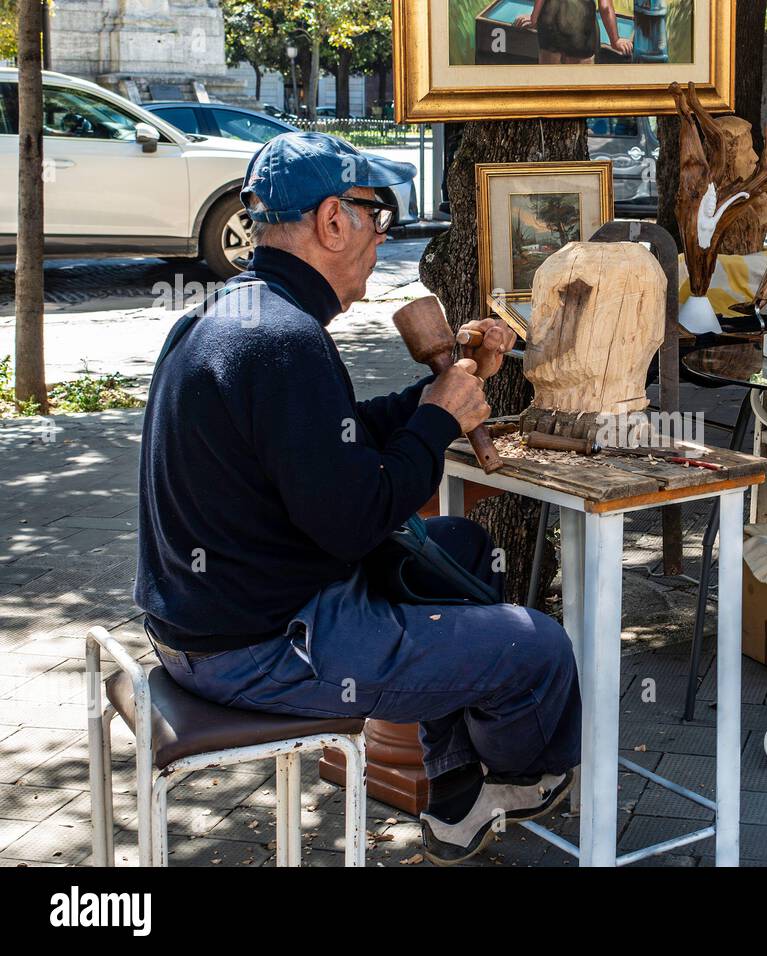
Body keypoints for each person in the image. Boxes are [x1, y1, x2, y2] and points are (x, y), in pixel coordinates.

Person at [134, 131, 581, 866]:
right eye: (378, 216)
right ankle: (518, 778)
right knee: (538, 650)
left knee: (463, 553)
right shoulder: (285, 342)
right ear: (334, 220)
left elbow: (327, 443)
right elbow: (359, 519)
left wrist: (439, 394)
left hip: (205, 620)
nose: (383, 236)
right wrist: (437, 421)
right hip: (258, 647)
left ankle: (453, 791)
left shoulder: (240, 315)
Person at [514, 0, 633, 63]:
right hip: (580, 30)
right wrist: (615, 40)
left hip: (550, 25)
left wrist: (534, 19)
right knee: (580, 89)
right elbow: (605, 7)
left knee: (548, 85)